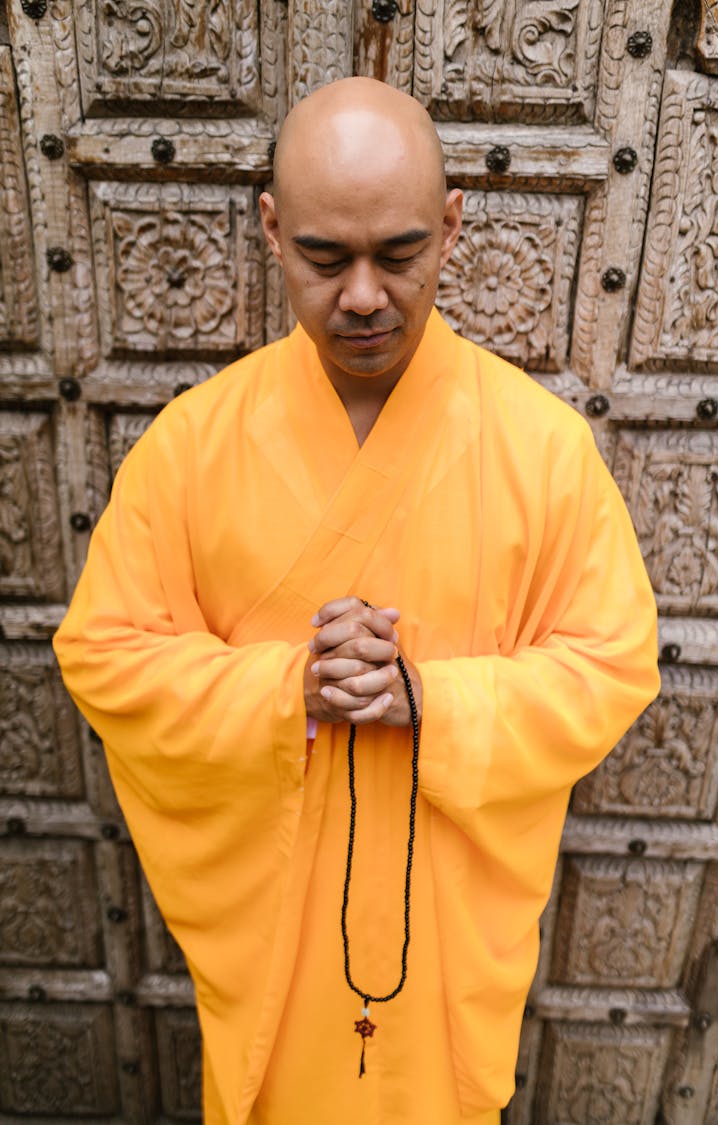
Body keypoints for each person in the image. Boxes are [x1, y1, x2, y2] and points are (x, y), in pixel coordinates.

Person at [54, 77, 660, 1125]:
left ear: (456, 226)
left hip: (446, 940)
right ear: (272, 231)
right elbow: (105, 651)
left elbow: (612, 662)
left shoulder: (543, 451)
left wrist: (429, 698)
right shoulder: (192, 449)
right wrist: (288, 689)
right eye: (326, 259)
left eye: (402, 254)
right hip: (275, 945)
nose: (366, 296)